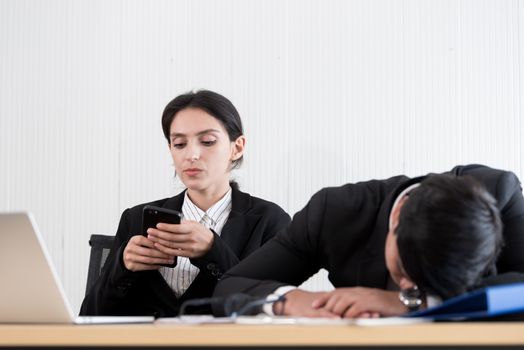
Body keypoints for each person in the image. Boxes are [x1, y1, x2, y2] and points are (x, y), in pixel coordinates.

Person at [213, 164, 524, 318]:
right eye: (403, 271)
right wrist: (291, 301)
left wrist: (409, 303)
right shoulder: (334, 213)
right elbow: (230, 285)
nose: (409, 285)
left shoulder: (498, 193)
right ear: (398, 214)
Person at [80, 90, 291, 317]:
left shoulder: (270, 221)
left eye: (207, 141)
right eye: (179, 144)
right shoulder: (135, 218)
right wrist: (121, 267)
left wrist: (213, 250)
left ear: (237, 147)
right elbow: (89, 317)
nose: (191, 154)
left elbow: (273, 311)